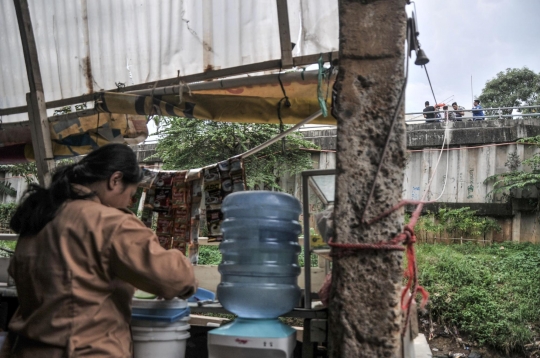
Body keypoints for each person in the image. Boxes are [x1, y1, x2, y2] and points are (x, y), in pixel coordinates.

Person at [2, 144, 197, 357]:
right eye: (131, 194)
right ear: (115, 180)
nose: (129, 202)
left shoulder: (39, 217)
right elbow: (174, 278)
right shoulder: (107, 221)